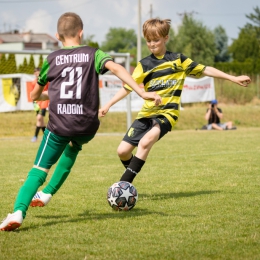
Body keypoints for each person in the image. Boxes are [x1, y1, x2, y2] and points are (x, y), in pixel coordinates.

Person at [0, 12, 161, 232]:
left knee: (39, 170)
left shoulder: (52, 59)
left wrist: (47, 92)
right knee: (73, 148)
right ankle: (47, 193)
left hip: (59, 125)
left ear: (57, 36)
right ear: (81, 32)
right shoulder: (94, 54)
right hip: (88, 125)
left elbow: (35, 96)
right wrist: (141, 92)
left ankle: (18, 212)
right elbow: (117, 68)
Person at [99, 18, 251, 185]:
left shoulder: (178, 60)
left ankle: (123, 186)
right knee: (122, 151)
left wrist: (232, 77)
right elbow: (128, 87)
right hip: (146, 114)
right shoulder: (144, 65)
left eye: (156, 40)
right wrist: (108, 104)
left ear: (166, 38)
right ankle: (131, 174)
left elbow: (205, 69)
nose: (152, 44)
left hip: (167, 114)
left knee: (145, 142)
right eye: (148, 40)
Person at [31, 67, 50, 142]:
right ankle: (46, 137)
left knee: (39, 118)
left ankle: (35, 136)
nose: (37, 74)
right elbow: (33, 94)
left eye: (38, 72)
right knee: (41, 121)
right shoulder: (33, 82)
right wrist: (34, 103)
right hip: (37, 102)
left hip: (44, 101)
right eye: (35, 72)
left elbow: (49, 90)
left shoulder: (46, 81)